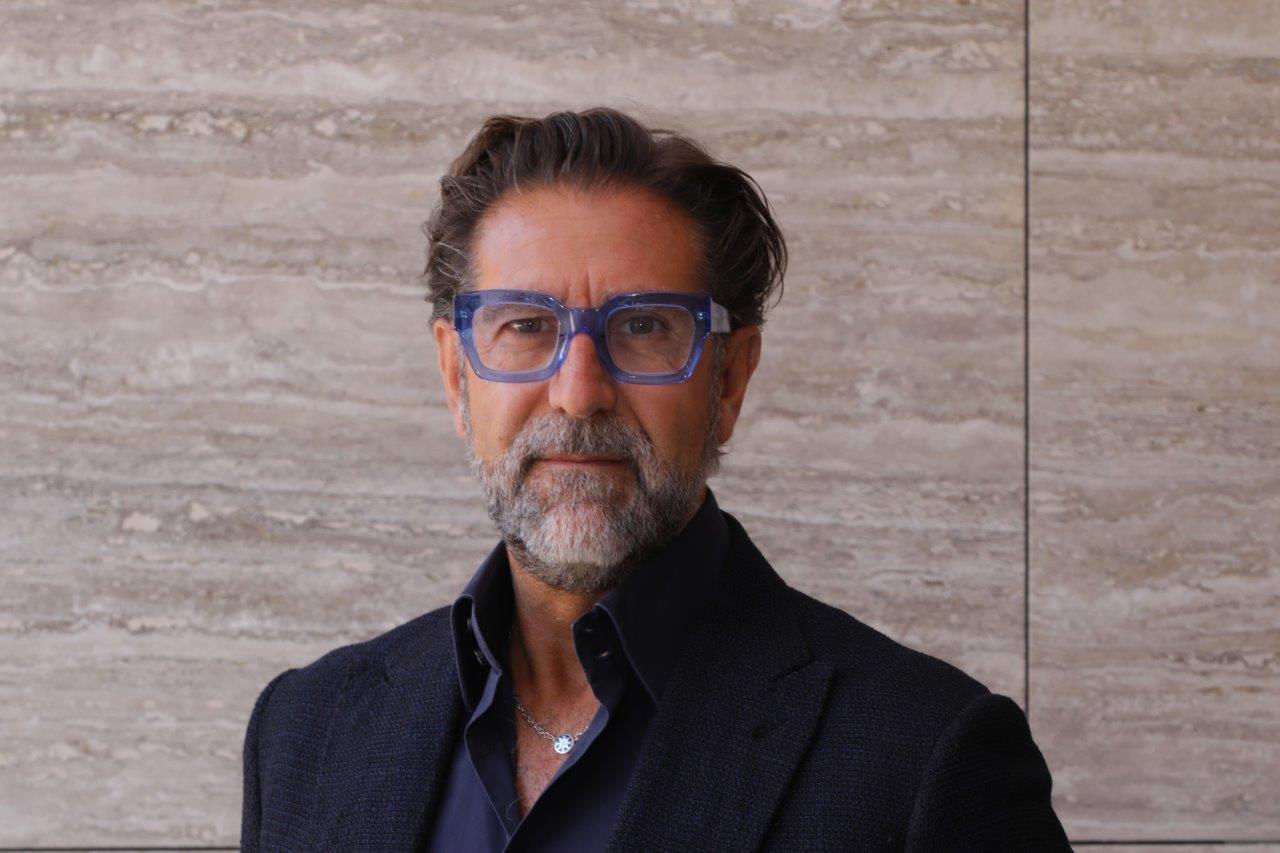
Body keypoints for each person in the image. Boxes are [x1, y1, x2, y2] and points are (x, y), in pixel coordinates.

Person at [240, 107, 1071, 851]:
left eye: (642, 326)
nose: (579, 392)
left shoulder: (925, 759)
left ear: (729, 379)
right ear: (458, 377)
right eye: (526, 326)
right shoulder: (305, 736)